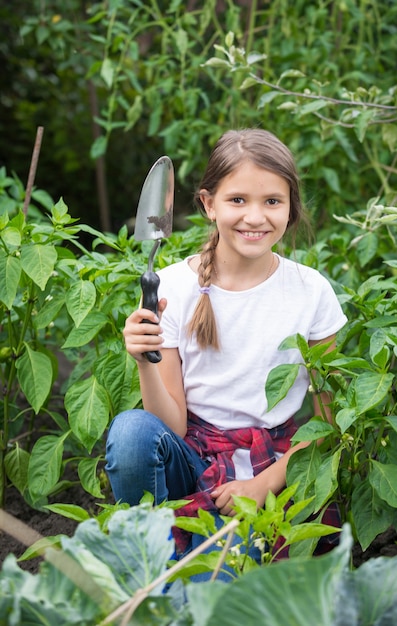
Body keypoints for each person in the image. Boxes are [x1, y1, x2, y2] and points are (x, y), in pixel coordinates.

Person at [105, 128, 347, 579]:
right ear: (208, 203)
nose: (255, 217)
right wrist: (145, 362)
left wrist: (262, 485)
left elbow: (328, 425)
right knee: (132, 433)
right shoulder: (174, 286)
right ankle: (151, 552)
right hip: (194, 452)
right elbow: (171, 427)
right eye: (237, 200)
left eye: (272, 201)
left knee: (223, 580)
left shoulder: (310, 291)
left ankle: (179, 566)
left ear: (291, 206)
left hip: (272, 461)